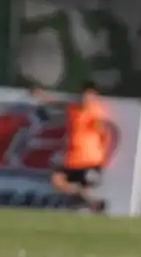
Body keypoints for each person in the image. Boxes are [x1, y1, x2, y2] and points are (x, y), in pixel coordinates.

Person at [47, 84, 112, 213]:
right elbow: (58, 104)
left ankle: (92, 204)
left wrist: (104, 155)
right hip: (73, 158)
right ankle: (94, 204)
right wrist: (43, 97)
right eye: (83, 96)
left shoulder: (95, 112)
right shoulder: (73, 109)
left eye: (89, 96)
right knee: (58, 181)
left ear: (94, 97)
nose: (85, 99)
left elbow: (104, 133)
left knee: (77, 188)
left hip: (89, 158)